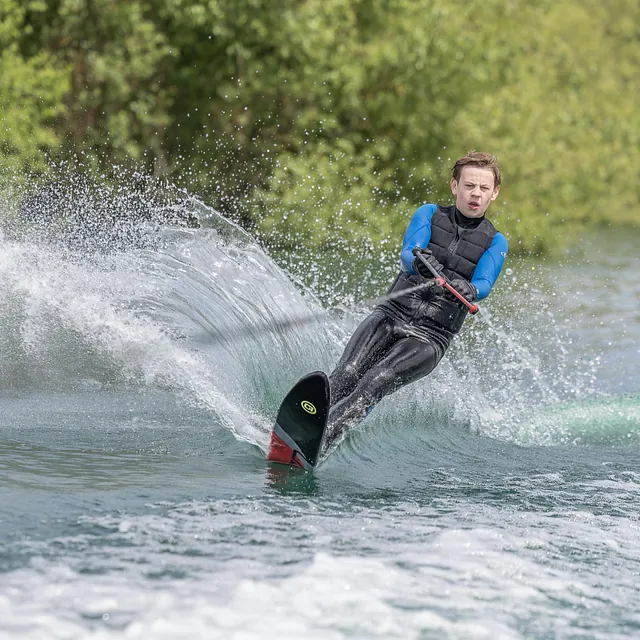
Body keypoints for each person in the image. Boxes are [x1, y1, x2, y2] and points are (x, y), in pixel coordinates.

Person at [325, 151, 508, 445]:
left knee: (377, 381)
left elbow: (484, 282)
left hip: (429, 337)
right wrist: (418, 261)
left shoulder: (496, 241)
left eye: (484, 188)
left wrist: (471, 290)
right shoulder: (429, 213)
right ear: (454, 186)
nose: (475, 194)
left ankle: (324, 437)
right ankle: (300, 420)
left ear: (494, 193)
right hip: (391, 314)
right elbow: (409, 253)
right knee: (347, 373)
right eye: (469, 185)